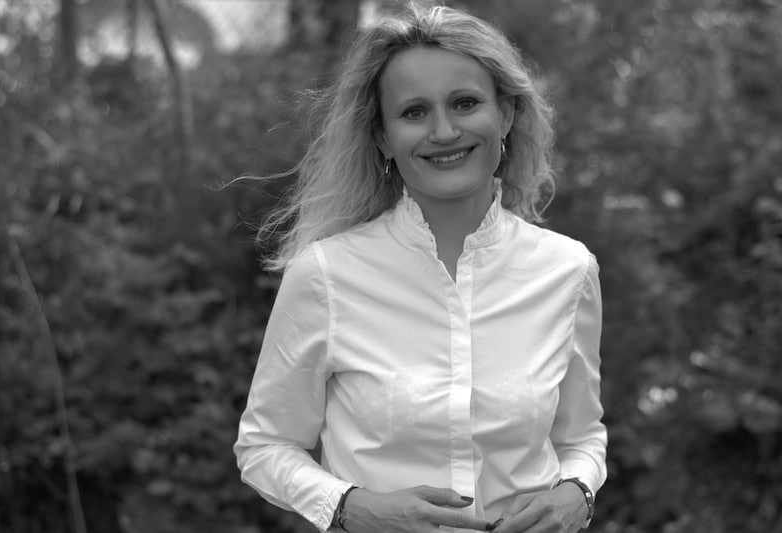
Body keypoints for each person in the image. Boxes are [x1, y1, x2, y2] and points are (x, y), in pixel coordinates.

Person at [233, 3, 606, 532]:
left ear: (505, 114)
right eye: (414, 112)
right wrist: (351, 506)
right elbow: (265, 446)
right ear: (382, 137)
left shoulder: (567, 270)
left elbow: (582, 437)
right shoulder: (325, 275)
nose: (444, 131)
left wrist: (577, 492)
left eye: (465, 103)